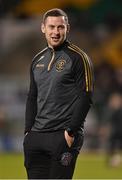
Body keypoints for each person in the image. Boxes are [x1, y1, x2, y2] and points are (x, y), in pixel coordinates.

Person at [23, 8, 94, 179]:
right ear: (43, 28)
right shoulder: (37, 60)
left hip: (62, 136)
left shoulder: (79, 58)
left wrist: (71, 132)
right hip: (36, 138)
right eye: (52, 27)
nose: (56, 32)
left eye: (60, 27)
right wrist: (28, 132)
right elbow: (32, 97)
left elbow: (86, 97)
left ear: (67, 28)